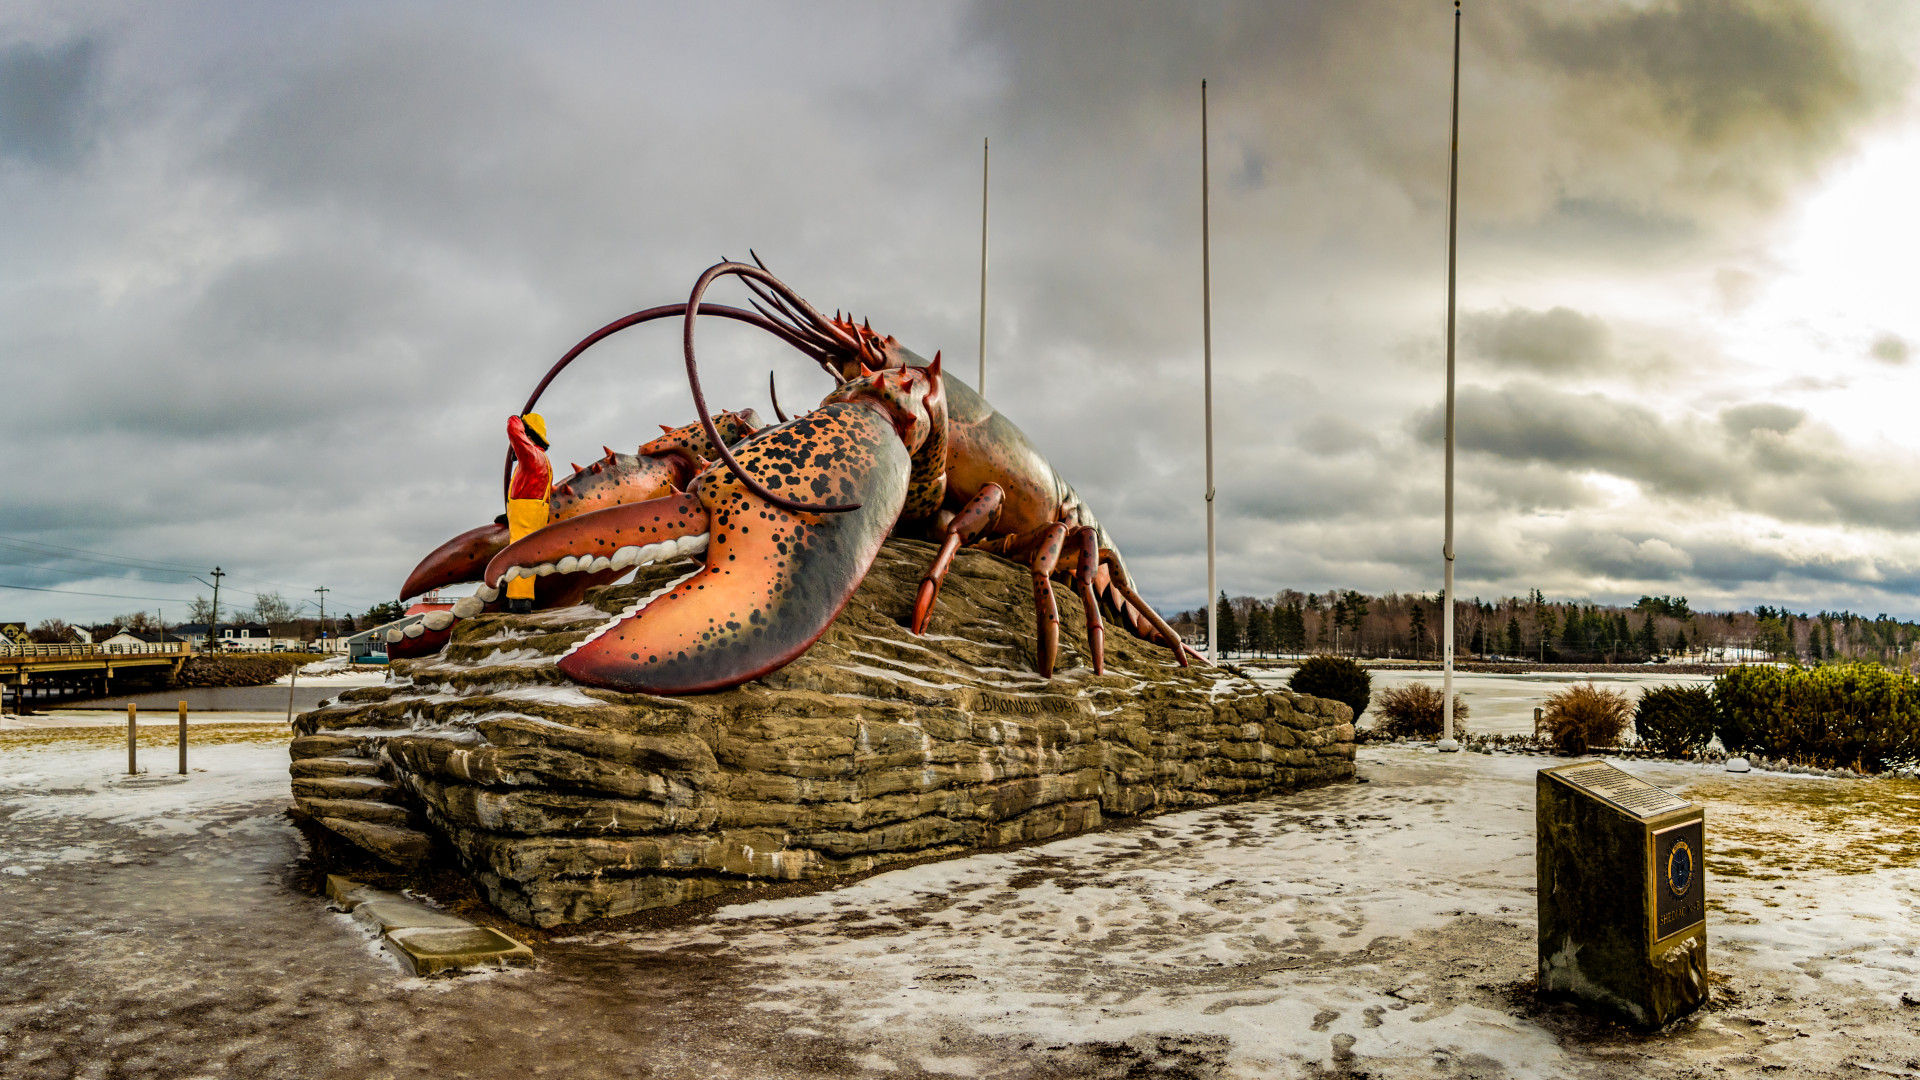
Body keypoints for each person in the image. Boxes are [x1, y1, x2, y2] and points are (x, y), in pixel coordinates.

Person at [504, 413, 552, 614]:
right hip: (531, 510)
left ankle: (520, 599)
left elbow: (514, 432)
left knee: (519, 552)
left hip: (526, 510)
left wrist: (515, 420)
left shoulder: (532, 455)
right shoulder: (542, 460)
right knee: (525, 549)